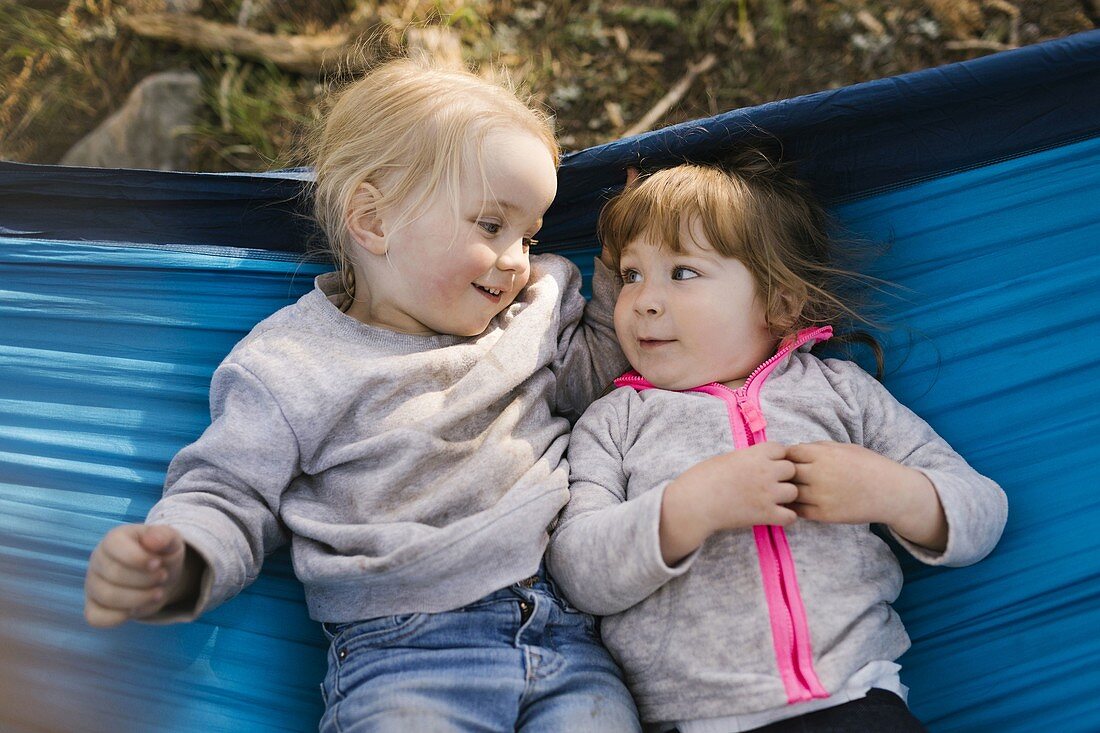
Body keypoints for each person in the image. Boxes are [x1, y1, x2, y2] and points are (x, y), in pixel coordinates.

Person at [82, 56, 641, 732]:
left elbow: (604, 383)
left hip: (569, 639)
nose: (516, 257)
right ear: (373, 220)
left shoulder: (536, 306)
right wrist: (181, 555)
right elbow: (227, 492)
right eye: (491, 226)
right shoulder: (290, 364)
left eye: (530, 233)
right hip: (407, 659)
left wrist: (619, 270)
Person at [547, 149, 1008, 732]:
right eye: (631, 274)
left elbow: (983, 510)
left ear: (781, 303)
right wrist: (690, 508)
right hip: (701, 720)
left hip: (858, 700)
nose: (643, 300)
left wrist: (894, 493)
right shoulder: (614, 421)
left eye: (682, 272)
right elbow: (578, 571)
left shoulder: (842, 392)